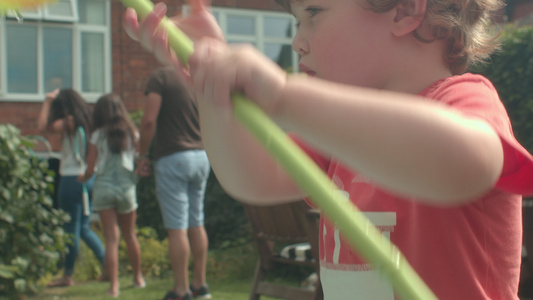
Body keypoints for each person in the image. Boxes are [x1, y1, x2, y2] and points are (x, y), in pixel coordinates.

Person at [123, 0, 533, 299]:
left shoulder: (463, 100)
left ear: (405, 10)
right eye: (296, 21)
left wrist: (285, 96)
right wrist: (211, 89)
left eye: (314, 14)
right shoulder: (338, 138)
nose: (298, 42)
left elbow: (464, 163)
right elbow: (251, 176)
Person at [135, 66, 211, 300]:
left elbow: (148, 121)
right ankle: (200, 286)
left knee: (177, 228)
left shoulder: (162, 77)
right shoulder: (199, 77)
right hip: (201, 156)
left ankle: (181, 291)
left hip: (173, 158)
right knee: (196, 222)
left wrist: (142, 155)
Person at [78, 94, 146, 298]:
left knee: (111, 239)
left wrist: (83, 178)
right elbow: (138, 161)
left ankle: (114, 286)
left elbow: (90, 168)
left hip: (104, 188)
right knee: (130, 234)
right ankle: (138, 278)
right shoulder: (132, 132)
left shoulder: (97, 134)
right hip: (126, 188)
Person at [37, 88, 106, 287]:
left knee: (71, 229)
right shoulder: (87, 120)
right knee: (84, 228)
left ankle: (67, 275)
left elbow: (42, 128)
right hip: (88, 178)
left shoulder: (69, 121)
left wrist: (47, 102)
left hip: (70, 178)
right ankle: (107, 264)